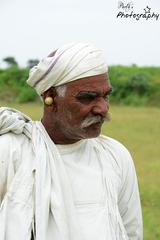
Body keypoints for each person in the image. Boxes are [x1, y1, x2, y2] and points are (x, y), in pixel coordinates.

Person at [0, 42, 143, 240]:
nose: (102, 108)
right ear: (50, 97)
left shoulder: (116, 156)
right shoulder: (10, 151)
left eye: (106, 96)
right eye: (88, 97)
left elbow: (131, 231)